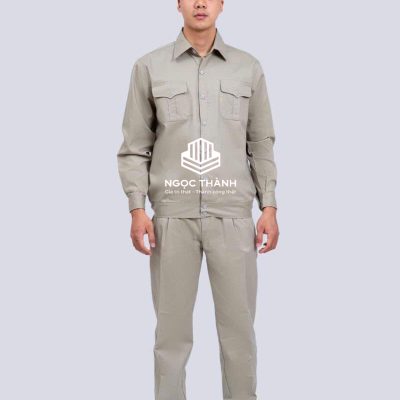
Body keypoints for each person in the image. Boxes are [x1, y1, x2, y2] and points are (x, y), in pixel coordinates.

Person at [117, 0, 280, 398]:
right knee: (170, 337)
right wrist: (137, 208)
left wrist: (269, 205)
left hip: (233, 216)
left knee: (239, 334)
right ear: (178, 4)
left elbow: (261, 143)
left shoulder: (248, 68)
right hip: (172, 218)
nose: (201, 3)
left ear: (223, 4)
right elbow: (135, 146)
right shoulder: (149, 67)